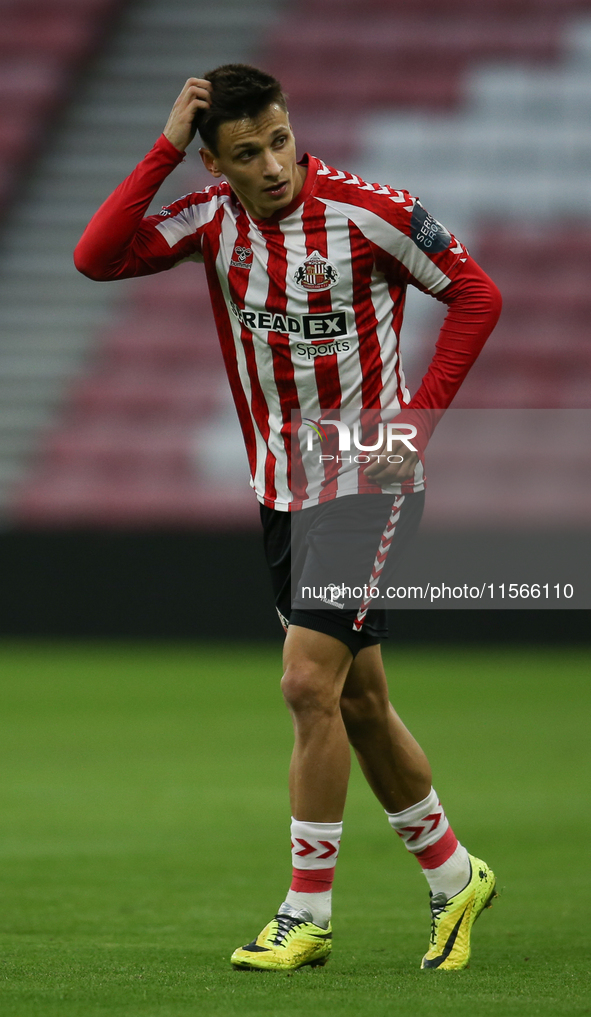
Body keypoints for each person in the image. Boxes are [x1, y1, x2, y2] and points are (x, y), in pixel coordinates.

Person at [74, 64, 502, 973]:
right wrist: (162, 146)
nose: (271, 163)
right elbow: (95, 257)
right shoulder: (208, 220)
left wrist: (415, 422)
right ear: (215, 162)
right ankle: (453, 873)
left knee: (307, 685)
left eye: (277, 138)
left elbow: (476, 294)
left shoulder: (368, 210)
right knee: (359, 700)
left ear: (289, 125)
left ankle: (305, 912)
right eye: (244, 153)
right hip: (281, 491)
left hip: (367, 483)